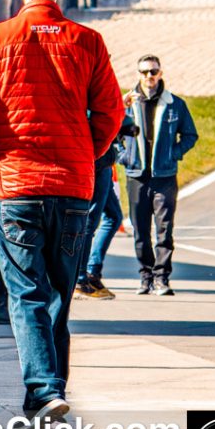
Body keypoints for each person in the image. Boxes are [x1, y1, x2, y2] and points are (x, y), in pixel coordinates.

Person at [0, 0, 120, 421]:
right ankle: (48, 392)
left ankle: (45, 390)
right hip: (72, 186)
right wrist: (84, 153)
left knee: (27, 293)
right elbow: (111, 112)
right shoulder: (88, 41)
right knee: (59, 294)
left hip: (15, 183)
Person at [118, 55, 197, 296]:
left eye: (153, 71)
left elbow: (190, 135)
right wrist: (124, 156)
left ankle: (162, 278)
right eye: (144, 72)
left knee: (164, 229)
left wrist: (173, 154)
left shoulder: (175, 104)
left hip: (164, 177)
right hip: (136, 176)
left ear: (160, 73)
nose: (149, 76)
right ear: (138, 74)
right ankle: (146, 277)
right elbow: (110, 133)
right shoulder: (126, 103)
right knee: (140, 231)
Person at [80, 120, 137, 298]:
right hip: (96, 159)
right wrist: (125, 121)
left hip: (102, 159)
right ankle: (80, 278)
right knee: (90, 221)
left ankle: (93, 271)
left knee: (113, 216)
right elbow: (104, 112)